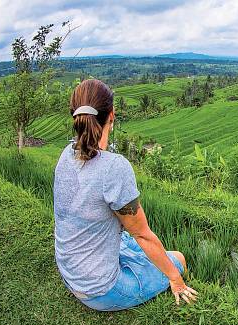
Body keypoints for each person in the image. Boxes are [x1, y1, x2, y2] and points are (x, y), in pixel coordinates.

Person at [53, 79, 197, 311]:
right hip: (99, 290)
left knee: (130, 243)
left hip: (71, 273)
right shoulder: (113, 167)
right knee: (177, 258)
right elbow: (142, 235)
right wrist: (175, 279)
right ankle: (179, 288)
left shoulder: (65, 154)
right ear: (112, 114)